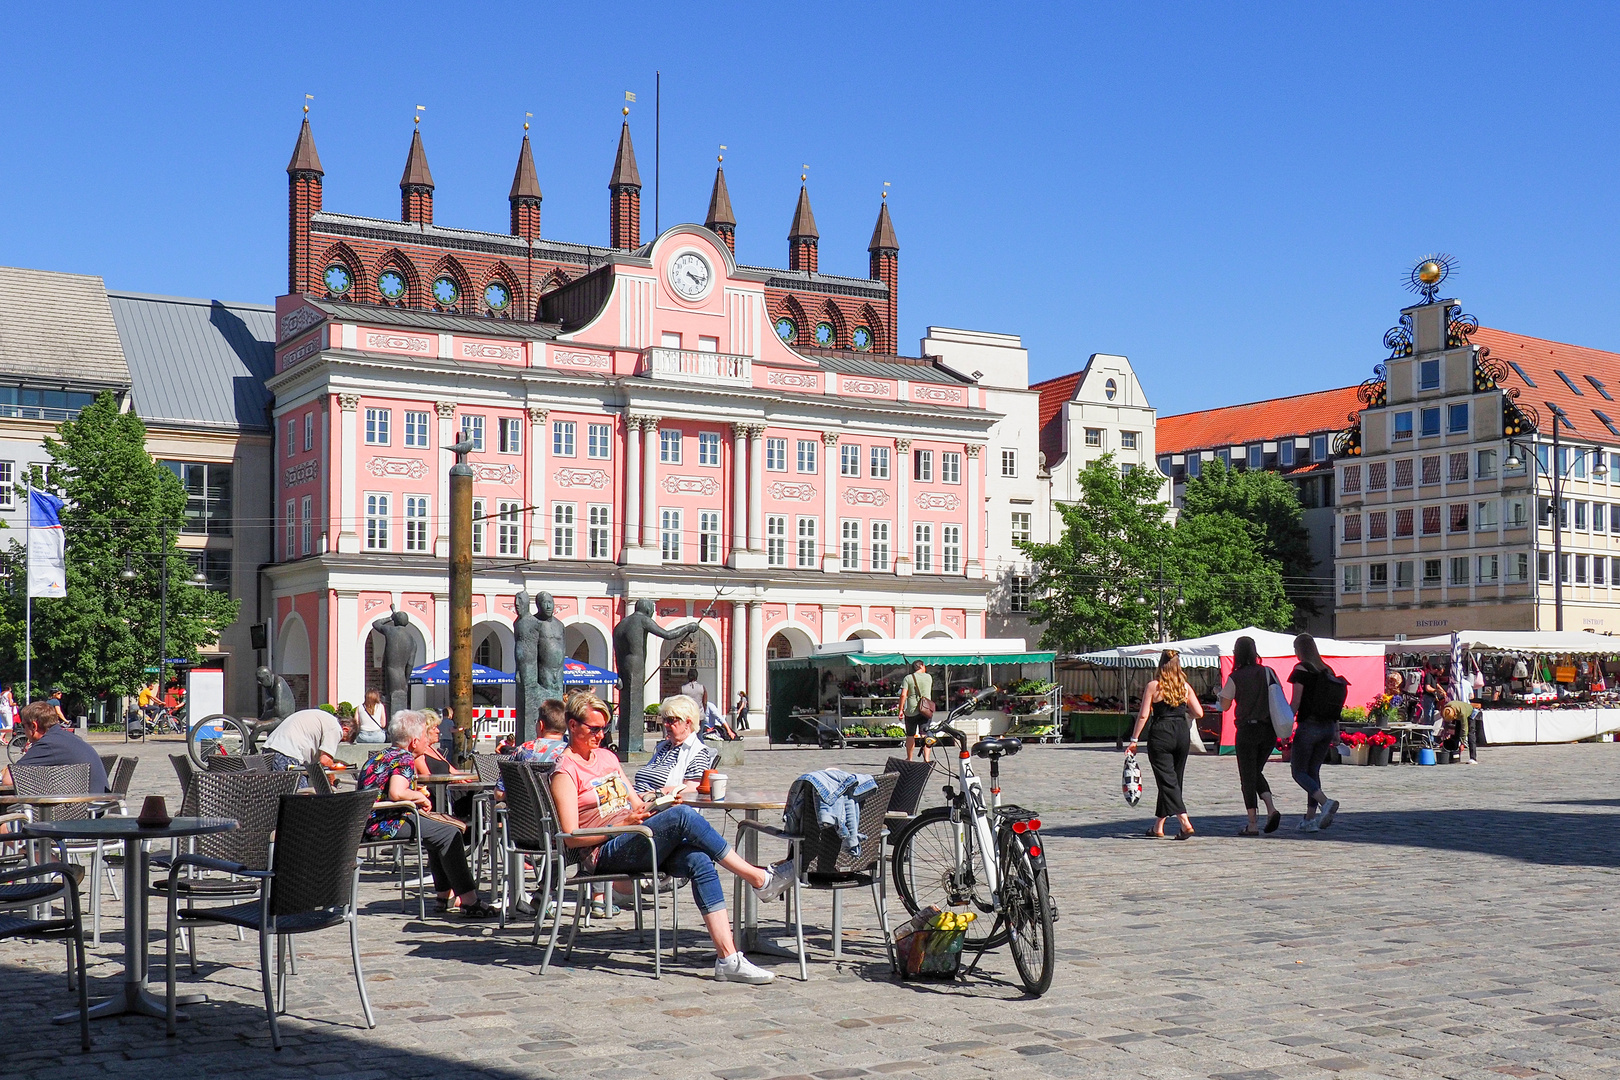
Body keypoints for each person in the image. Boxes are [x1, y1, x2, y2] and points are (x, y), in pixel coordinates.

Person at [550, 692, 794, 984]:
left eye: (604, 728)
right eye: (594, 729)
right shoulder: (566, 769)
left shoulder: (607, 758)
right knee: (683, 817)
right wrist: (624, 823)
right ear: (572, 725)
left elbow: (634, 802)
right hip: (602, 851)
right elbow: (571, 837)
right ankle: (758, 878)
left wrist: (655, 805)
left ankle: (728, 959)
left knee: (698, 859)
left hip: (633, 834)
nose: (600, 735)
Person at [357, 710, 497, 919]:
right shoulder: (404, 757)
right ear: (414, 741)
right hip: (385, 822)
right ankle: (469, 901)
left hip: (366, 820)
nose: (426, 740)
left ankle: (444, 895)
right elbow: (397, 792)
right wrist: (419, 797)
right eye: (424, 735)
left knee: (439, 831)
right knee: (448, 833)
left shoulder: (384, 754)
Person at [1126, 650, 1203, 840]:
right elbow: (1199, 712)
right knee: (1173, 779)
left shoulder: (1154, 686)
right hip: (1181, 732)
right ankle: (1158, 827)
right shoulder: (1185, 687)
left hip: (1161, 733)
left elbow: (1144, 715)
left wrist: (1134, 740)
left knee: (1167, 780)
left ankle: (1185, 822)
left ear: (1160, 665)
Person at [1218, 636, 1281, 835]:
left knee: (1247, 776)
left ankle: (1252, 823)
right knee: (1255, 772)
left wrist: (1219, 694)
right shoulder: (1268, 672)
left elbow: (1225, 706)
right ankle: (1271, 809)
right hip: (1268, 730)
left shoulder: (1236, 677)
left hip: (1247, 731)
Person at [1289, 633, 1349, 831]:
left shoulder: (1302, 669)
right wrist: (1336, 732)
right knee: (1313, 772)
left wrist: (1285, 722)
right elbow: (1335, 704)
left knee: (1299, 772)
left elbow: (1296, 702)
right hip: (1328, 727)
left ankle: (1326, 802)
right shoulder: (1327, 670)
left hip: (1309, 726)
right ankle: (1309, 820)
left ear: (1300, 649)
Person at [1, 701, 109, 791]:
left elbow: (8, 780)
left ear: (34, 726)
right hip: (97, 804)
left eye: (23, 725)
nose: (23, 730)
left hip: (80, 809)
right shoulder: (67, 737)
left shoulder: (47, 744)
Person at [634, 695, 716, 794]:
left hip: (657, 805)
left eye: (670, 720)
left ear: (687, 723)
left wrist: (656, 793)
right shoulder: (663, 748)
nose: (665, 724)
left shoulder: (697, 753)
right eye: (664, 719)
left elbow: (692, 789)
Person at [262, 707, 354, 772]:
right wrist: (332, 782)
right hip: (287, 754)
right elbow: (325, 761)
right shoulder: (335, 728)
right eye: (342, 740)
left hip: (270, 748)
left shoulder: (323, 716)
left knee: (275, 793)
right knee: (303, 794)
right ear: (346, 729)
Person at [898, 660, 935, 763]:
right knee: (925, 734)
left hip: (911, 710)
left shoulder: (908, 678)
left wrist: (900, 709)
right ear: (922, 666)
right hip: (925, 710)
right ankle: (926, 759)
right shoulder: (928, 677)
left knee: (910, 735)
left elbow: (903, 695)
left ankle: (909, 758)